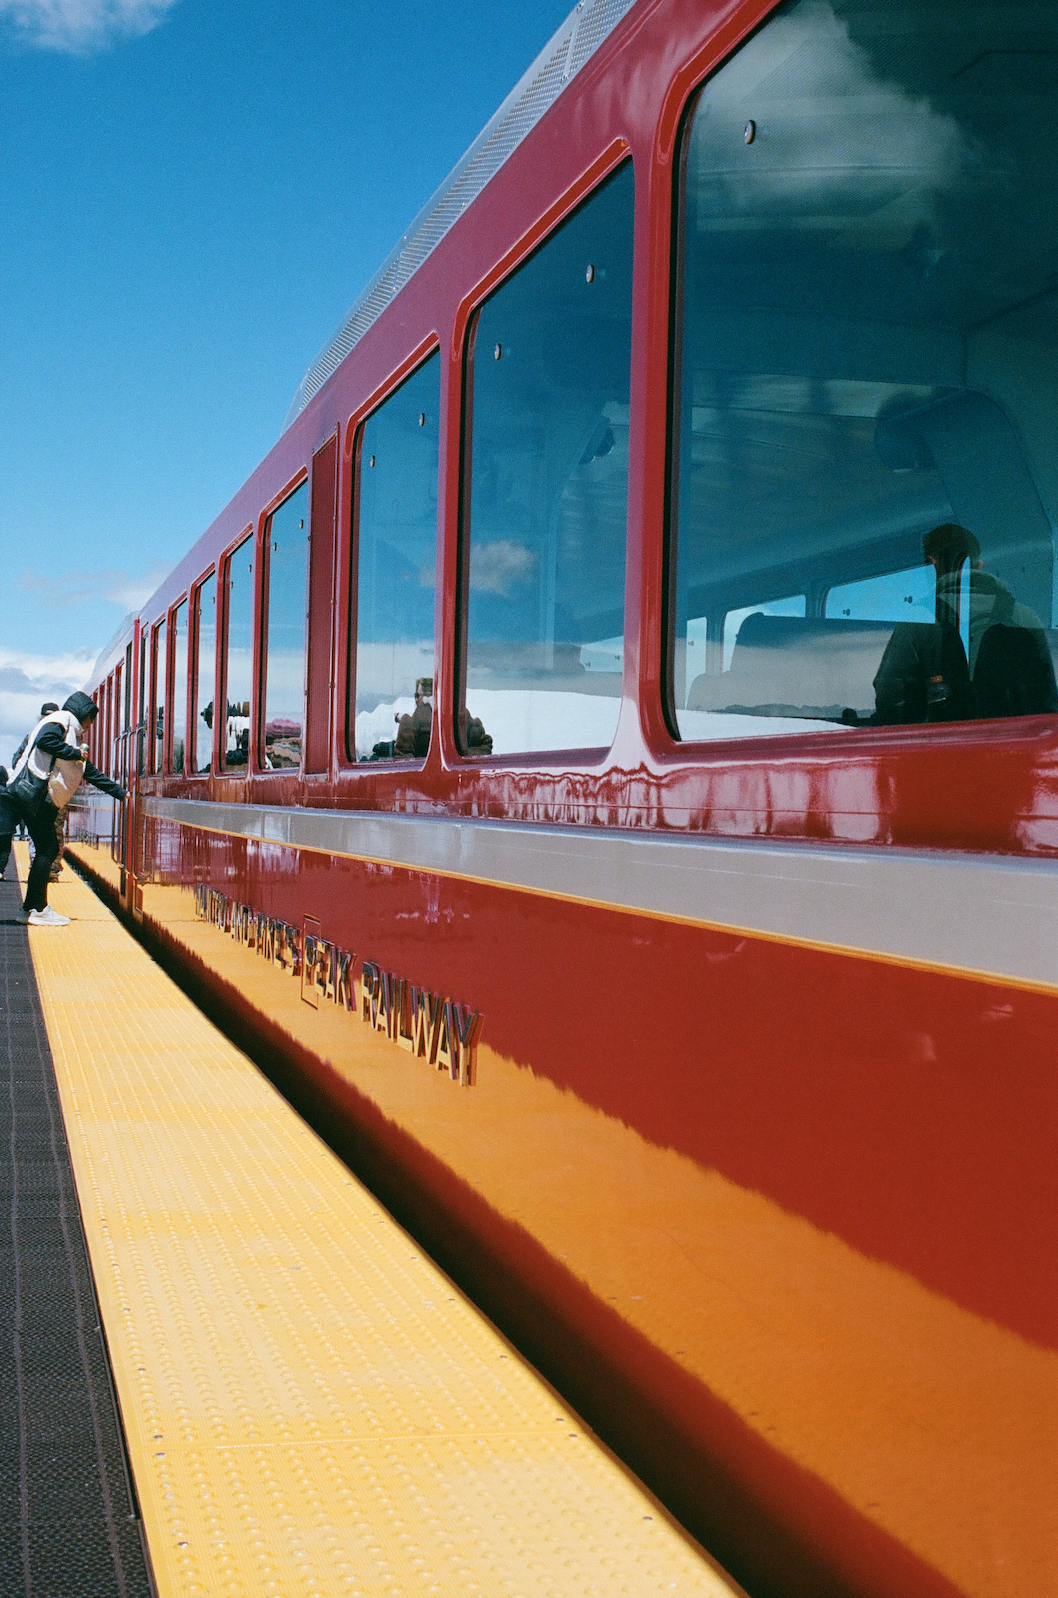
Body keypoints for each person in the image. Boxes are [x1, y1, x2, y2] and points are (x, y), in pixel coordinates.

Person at [3, 692, 126, 926]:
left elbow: (87, 771)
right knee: (48, 848)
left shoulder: (68, 729)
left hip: (34, 796)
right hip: (33, 794)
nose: (90, 726)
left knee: (46, 848)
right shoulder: (62, 721)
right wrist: (75, 753)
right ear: (83, 714)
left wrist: (120, 793)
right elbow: (45, 742)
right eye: (90, 720)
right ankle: (35, 909)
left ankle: (32, 908)